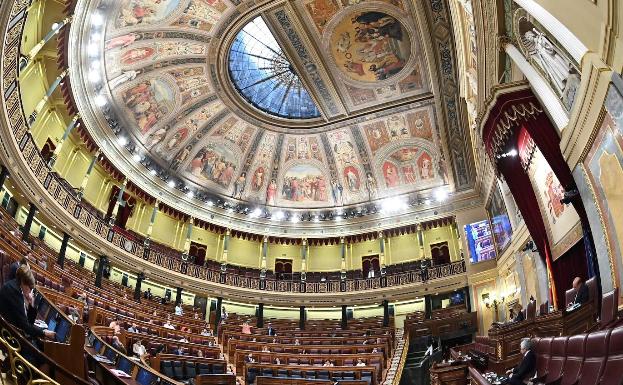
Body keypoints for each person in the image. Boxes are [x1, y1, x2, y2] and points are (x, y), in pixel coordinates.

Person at [0, 265, 55, 340]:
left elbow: (29, 322)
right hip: (9, 335)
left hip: (9, 329)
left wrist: (31, 303)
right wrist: (44, 333)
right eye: (30, 288)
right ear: (23, 283)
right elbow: (25, 327)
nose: (30, 291)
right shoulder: (15, 292)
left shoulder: (14, 285)